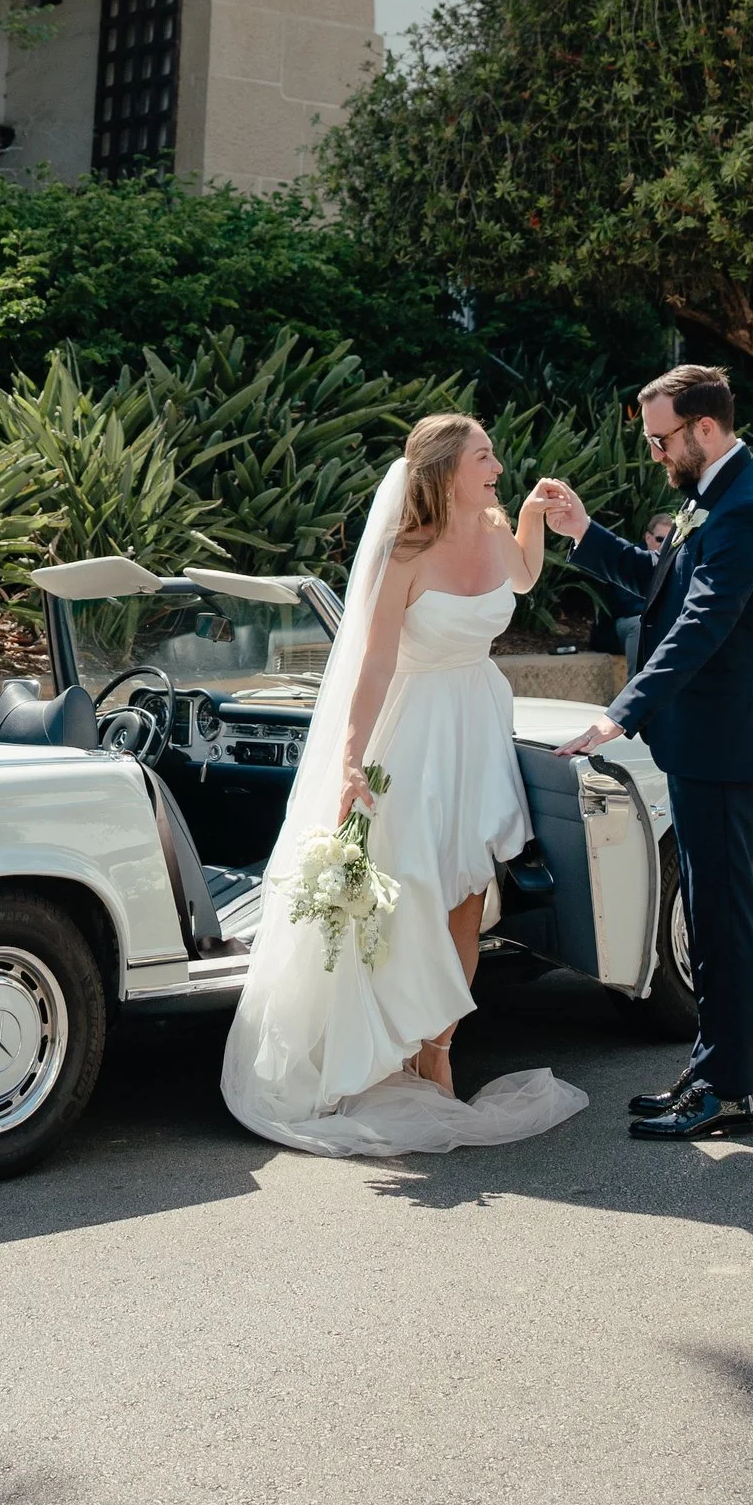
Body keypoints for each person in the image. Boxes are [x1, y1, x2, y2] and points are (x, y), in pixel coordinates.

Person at [220, 413, 590, 1159]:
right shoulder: (405, 551)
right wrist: (353, 758)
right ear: (446, 470)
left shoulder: (491, 525)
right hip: (416, 731)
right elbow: (374, 663)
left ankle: (440, 1045)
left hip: (478, 721)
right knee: (411, 888)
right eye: (483, 456)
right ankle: (385, 1046)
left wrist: (526, 520)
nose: (496, 463)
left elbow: (522, 575)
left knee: (466, 893)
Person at [538, 362, 753, 1145]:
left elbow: (701, 626)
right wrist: (585, 535)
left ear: (703, 429)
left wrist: (621, 715)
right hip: (698, 742)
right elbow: (660, 586)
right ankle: (711, 1072)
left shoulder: (745, 509)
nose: (654, 453)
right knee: (707, 914)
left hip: (723, 744)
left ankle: (730, 1095)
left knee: (720, 921)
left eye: (660, 439)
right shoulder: (710, 497)